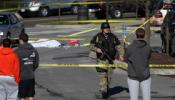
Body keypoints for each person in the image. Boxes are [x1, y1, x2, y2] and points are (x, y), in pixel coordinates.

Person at [90, 22, 121, 99]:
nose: (107, 29)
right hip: (101, 60)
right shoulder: (97, 36)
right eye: (105, 28)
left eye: (108, 28)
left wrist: (121, 55)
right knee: (102, 77)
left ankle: (105, 90)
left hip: (111, 60)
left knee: (108, 78)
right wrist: (96, 49)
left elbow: (119, 46)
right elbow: (91, 45)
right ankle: (104, 92)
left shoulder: (113, 37)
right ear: (102, 29)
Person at [124, 28, 152, 100]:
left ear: (136, 35)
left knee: (133, 98)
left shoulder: (130, 47)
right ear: (144, 35)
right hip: (145, 75)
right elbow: (148, 57)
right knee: (147, 98)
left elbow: (125, 59)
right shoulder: (148, 47)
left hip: (133, 75)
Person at [15, 33, 39, 100]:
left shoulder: (17, 51)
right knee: (31, 95)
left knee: (22, 96)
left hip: (22, 77)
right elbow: (36, 63)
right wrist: (31, 69)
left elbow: (15, 64)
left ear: (21, 40)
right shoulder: (34, 50)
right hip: (31, 76)